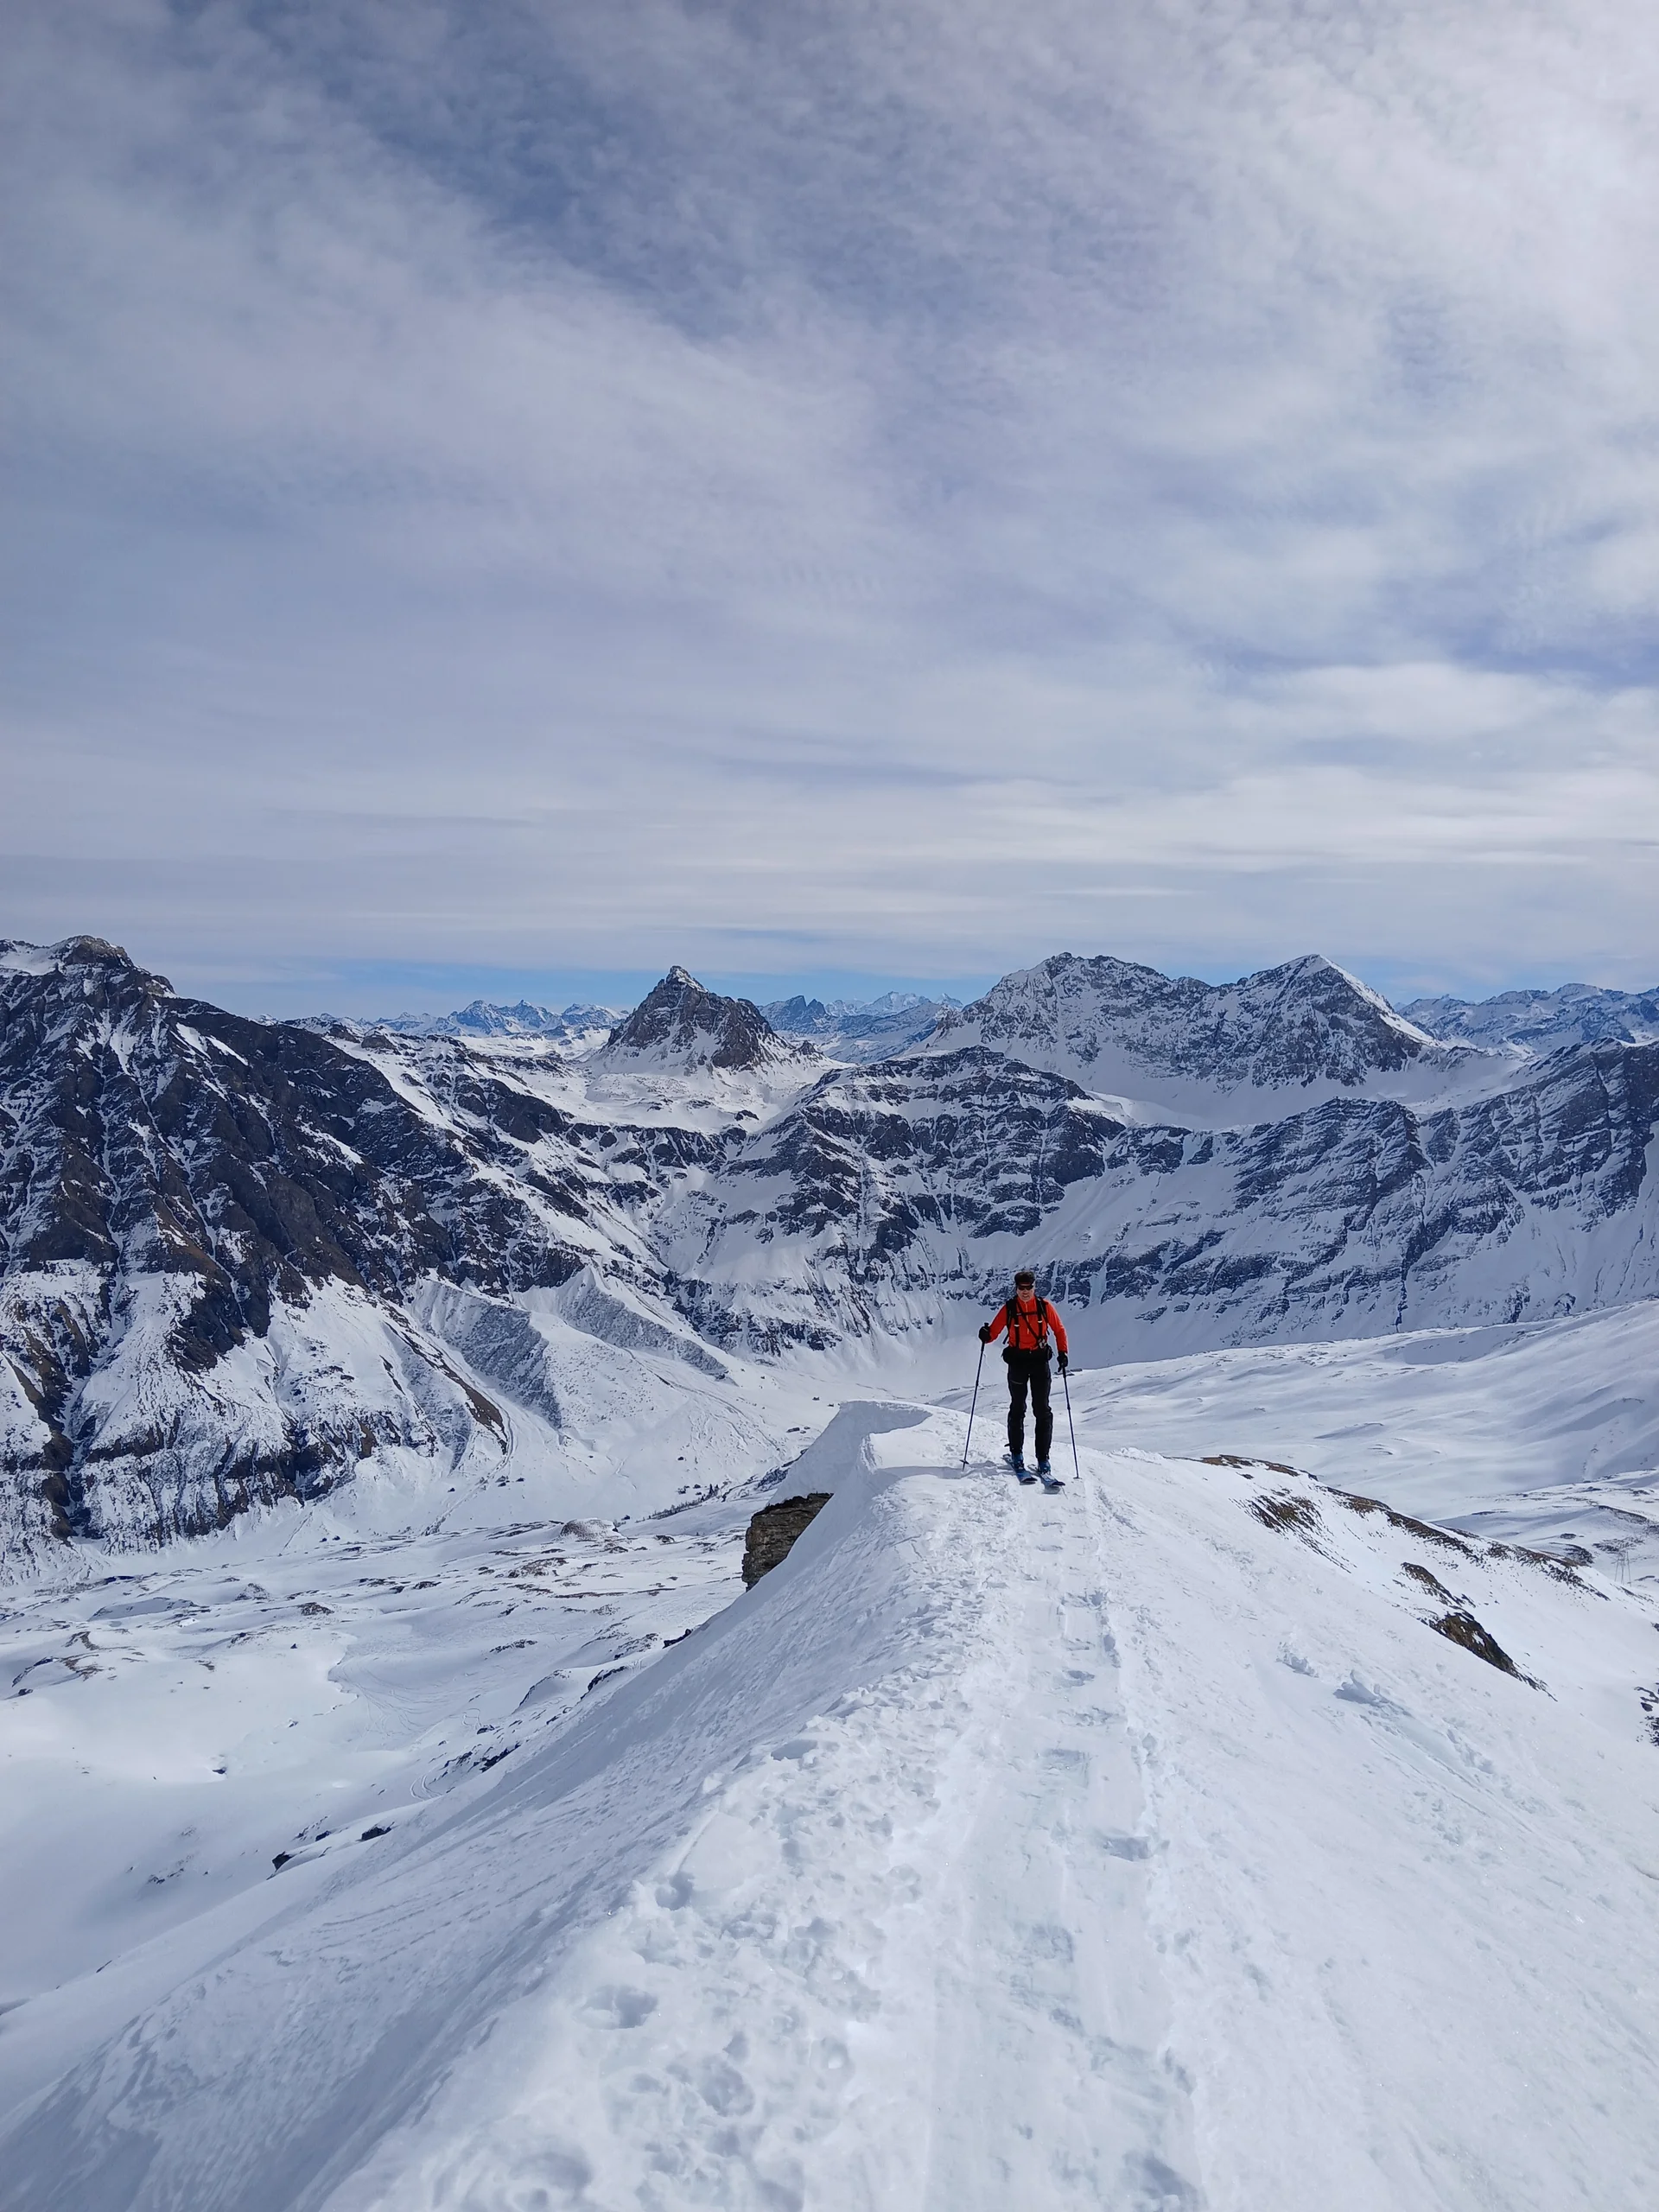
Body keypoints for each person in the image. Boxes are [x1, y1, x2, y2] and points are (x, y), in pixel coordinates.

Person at [979, 1270, 1069, 1479]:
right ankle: (1017, 1455)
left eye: (1029, 1288)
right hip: (1018, 1362)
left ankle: (1043, 1458)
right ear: (1016, 1288)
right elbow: (993, 1333)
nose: (1025, 1292)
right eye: (1022, 1288)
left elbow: (1059, 1329)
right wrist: (985, 1335)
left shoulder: (1045, 1307)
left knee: (1042, 1410)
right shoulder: (1009, 1309)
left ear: (1034, 1287)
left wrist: (1063, 1352)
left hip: (1039, 1362)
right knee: (1018, 1408)